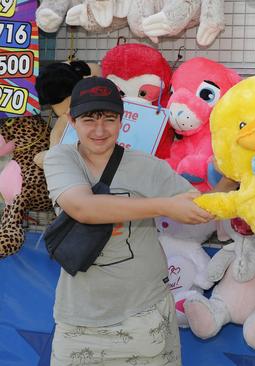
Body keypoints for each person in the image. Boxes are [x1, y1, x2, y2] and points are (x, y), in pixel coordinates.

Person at [43, 76, 213, 365]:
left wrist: (228, 181)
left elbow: (200, 207)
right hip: (80, 321)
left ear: (121, 120)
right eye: (88, 120)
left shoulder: (148, 166)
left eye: (109, 119)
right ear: (72, 121)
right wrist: (163, 206)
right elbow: (83, 207)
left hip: (145, 315)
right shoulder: (61, 158)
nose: (99, 130)